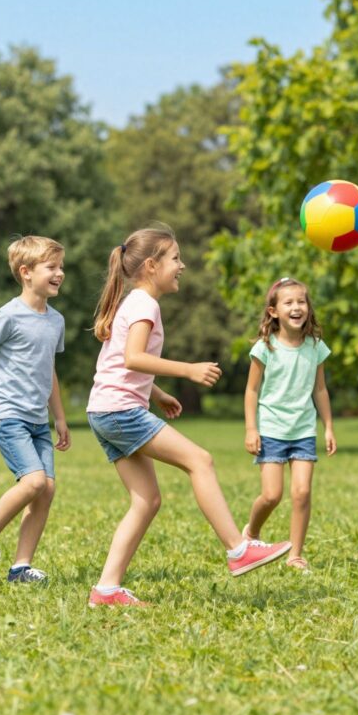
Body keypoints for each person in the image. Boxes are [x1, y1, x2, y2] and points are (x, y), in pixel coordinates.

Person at [86, 227, 290, 607]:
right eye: (175, 258)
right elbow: (133, 358)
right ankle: (237, 549)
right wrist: (188, 370)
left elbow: (118, 365)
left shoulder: (132, 301)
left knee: (146, 500)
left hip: (103, 409)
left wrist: (158, 393)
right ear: (151, 265)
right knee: (200, 460)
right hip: (120, 411)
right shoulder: (145, 304)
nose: (183, 265)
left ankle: (107, 589)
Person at [0, 236, 70, 584]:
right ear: (26, 272)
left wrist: (61, 417)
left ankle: (21, 567)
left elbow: (47, 370)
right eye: (51, 267)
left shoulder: (56, 321)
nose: (59, 273)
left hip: (38, 420)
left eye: (60, 267)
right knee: (34, 481)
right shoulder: (7, 316)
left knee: (46, 489)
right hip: (6, 414)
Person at [242, 277, 336, 572]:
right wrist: (251, 429)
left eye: (301, 301)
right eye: (289, 302)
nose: (297, 307)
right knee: (272, 495)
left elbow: (319, 390)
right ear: (273, 311)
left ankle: (295, 554)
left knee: (302, 492)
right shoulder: (264, 348)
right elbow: (251, 391)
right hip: (271, 429)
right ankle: (252, 534)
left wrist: (329, 427)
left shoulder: (315, 346)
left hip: (303, 429)